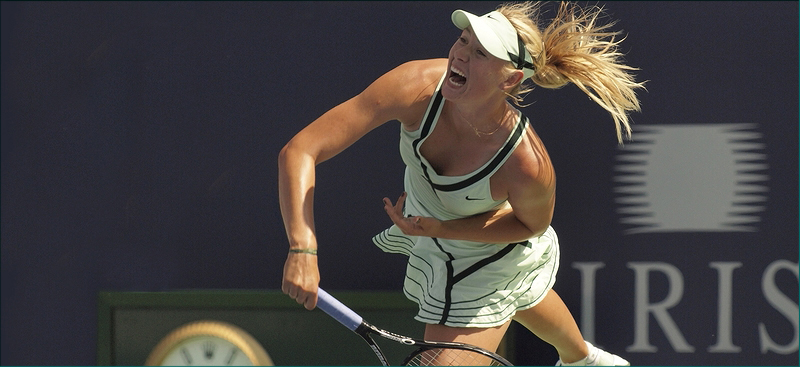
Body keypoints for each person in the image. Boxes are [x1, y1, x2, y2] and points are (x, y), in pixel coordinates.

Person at [279, 1, 644, 365]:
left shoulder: (527, 165)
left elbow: (532, 226)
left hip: (488, 255)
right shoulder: (413, 87)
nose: (461, 55)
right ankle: (583, 360)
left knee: (508, 285)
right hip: (434, 232)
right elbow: (300, 150)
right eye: (463, 40)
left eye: (481, 53)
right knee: (523, 291)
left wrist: (442, 227)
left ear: (511, 79)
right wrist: (303, 247)